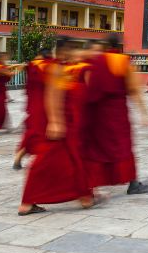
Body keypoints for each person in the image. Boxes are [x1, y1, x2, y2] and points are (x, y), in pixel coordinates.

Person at [18, 40, 94, 216]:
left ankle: (85, 196)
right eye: (71, 50)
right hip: (57, 121)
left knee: (69, 159)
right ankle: (27, 202)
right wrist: (55, 121)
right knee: (49, 160)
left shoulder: (58, 67)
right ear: (63, 51)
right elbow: (53, 94)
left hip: (59, 119)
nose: (74, 54)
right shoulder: (56, 68)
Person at [83, 34, 148, 195]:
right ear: (119, 45)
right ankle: (133, 183)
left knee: (98, 147)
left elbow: (87, 86)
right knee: (123, 146)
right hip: (116, 112)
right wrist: (144, 112)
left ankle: (93, 184)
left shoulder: (96, 61)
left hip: (98, 113)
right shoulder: (123, 61)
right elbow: (134, 89)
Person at [14, 49, 53, 169]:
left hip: (34, 104)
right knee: (40, 134)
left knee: (34, 133)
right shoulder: (48, 65)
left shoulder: (32, 65)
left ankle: (19, 156)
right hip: (45, 105)